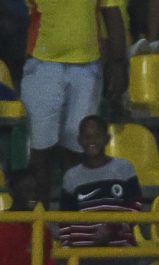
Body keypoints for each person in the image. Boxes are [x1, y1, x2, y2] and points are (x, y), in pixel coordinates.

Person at [22, 0, 127, 203]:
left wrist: (119, 62)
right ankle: (39, 221)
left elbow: (111, 10)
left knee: (79, 145)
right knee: (42, 145)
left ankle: (73, 219)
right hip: (43, 62)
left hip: (87, 65)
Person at [58, 115, 145, 265]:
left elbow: (136, 206)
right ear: (79, 140)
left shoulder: (124, 168)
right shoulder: (71, 177)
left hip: (120, 251)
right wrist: (68, 251)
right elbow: (65, 220)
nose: (92, 141)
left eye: (96, 136)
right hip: (84, 256)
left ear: (106, 138)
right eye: (87, 137)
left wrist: (114, 228)